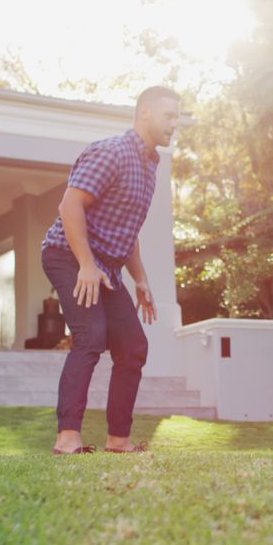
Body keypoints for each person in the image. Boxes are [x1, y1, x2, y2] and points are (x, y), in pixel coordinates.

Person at [42, 86, 180, 454]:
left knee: (133, 346)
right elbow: (70, 206)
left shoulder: (150, 168)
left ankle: (118, 440)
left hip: (107, 266)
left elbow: (127, 231)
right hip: (67, 254)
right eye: (169, 115)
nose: (174, 124)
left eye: (177, 117)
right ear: (145, 113)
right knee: (91, 336)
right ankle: (67, 437)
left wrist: (141, 280)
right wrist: (86, 264)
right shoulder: (112, 152)